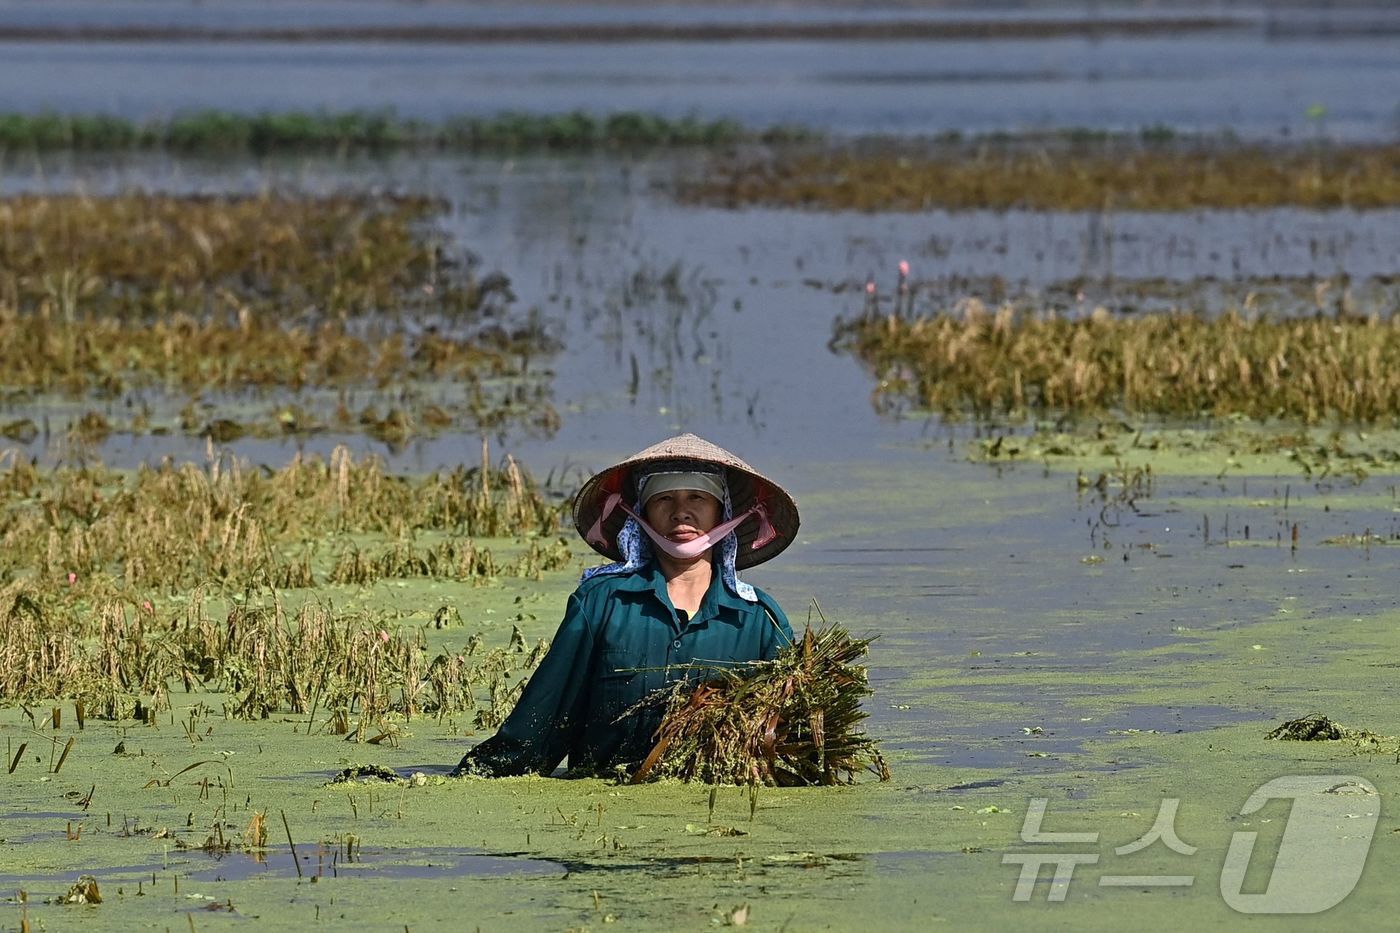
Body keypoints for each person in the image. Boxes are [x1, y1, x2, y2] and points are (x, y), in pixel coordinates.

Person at [453, 433, 799, 778]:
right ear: (641, 513)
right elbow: (545, 716)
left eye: (697, 497)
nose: (681, 512)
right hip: (601, 805)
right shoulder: (601, 602)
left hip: (717, 809)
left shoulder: (760, 619)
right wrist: (470, 779)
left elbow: (788, 734)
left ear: (721, 512)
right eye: (663, 498)